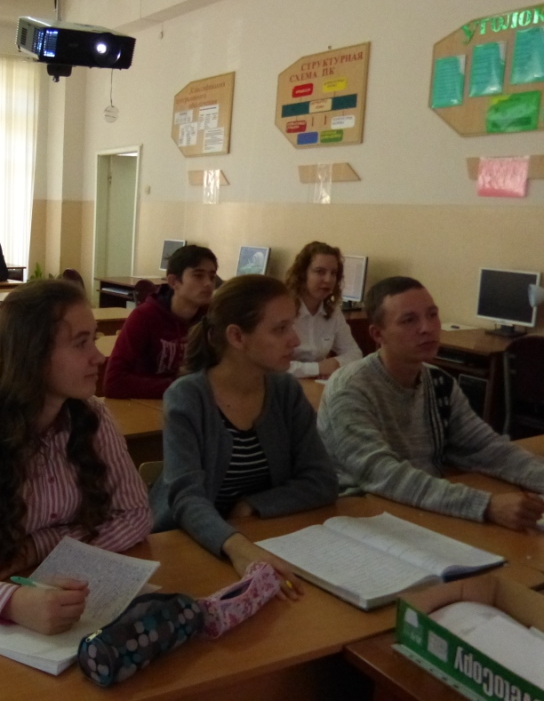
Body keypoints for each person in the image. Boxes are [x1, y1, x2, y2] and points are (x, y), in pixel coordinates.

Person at [0, 280, 152, 634]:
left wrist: (37, 547)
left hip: (53, 590)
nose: (99, 357)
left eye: (93, 340)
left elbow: (136, 514)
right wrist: (10, 602)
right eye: (81, 343)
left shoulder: (93, 415)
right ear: (32, 354)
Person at [150, 275, 338, 598]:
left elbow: (322, 480)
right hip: (190, 543)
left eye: (292, 326)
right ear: (237, 337)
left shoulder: (285, 391)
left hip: (261, 537)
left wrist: (253, 505)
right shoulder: (188, 397)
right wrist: (238, 547)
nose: (295, 340)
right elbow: (187, 499)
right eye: (280, 329)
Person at [318, 276, 544, 530]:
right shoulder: (350, 389)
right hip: (362, 517)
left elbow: (487, 449)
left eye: (432, 315)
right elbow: (381, 474)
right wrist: (486, 505)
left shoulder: (439, 383)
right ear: (377, 334)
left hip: (423, 510)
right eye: (409, 320)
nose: (427, 328)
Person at [103, 245, 218, 399]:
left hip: (191, 403)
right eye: (198, 276)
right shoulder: (144, 317)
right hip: (147, 405)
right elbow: (113, 383)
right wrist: (183, 387)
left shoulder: (212, 318)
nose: (208, 284)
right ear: (173, 282)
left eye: (212, 277)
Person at [284, 241, 362, 379]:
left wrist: (336, 363)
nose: (328, 279)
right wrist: (318, 368)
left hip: (314, 385)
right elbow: (271, 364)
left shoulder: (333, 312)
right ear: (302, 274)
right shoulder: (282, 310)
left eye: (333, 273)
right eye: (320, 272)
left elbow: (355, 354)